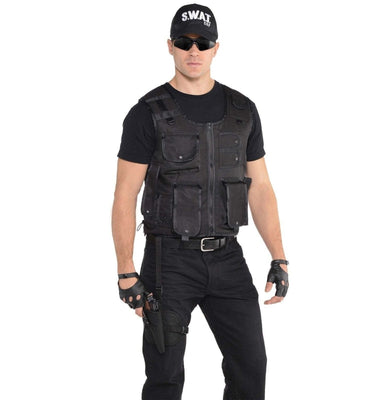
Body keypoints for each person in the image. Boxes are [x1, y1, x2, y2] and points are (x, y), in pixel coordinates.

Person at [111, 4, 289, 399]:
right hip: (168, 262)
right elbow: (125, 194)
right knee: (165, 376)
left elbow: (260, 187)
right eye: (185, 41)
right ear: (170, 46)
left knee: (251, 367)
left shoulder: (243, 111)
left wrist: (279, 257)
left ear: (216, 48)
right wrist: (126, 271)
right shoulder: (146, 113)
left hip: (228, 258)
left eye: (203, 43)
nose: (194, 50)